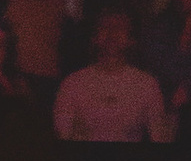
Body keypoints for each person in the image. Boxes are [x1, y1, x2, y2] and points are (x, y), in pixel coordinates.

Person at [52, 8, 173, 144]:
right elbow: (61, 135)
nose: (112, 33)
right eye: (105, 27)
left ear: (131, 40)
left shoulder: (147, 85)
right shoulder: (73, 83)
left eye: (120, 28)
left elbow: (159, 136)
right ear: (94, 38)